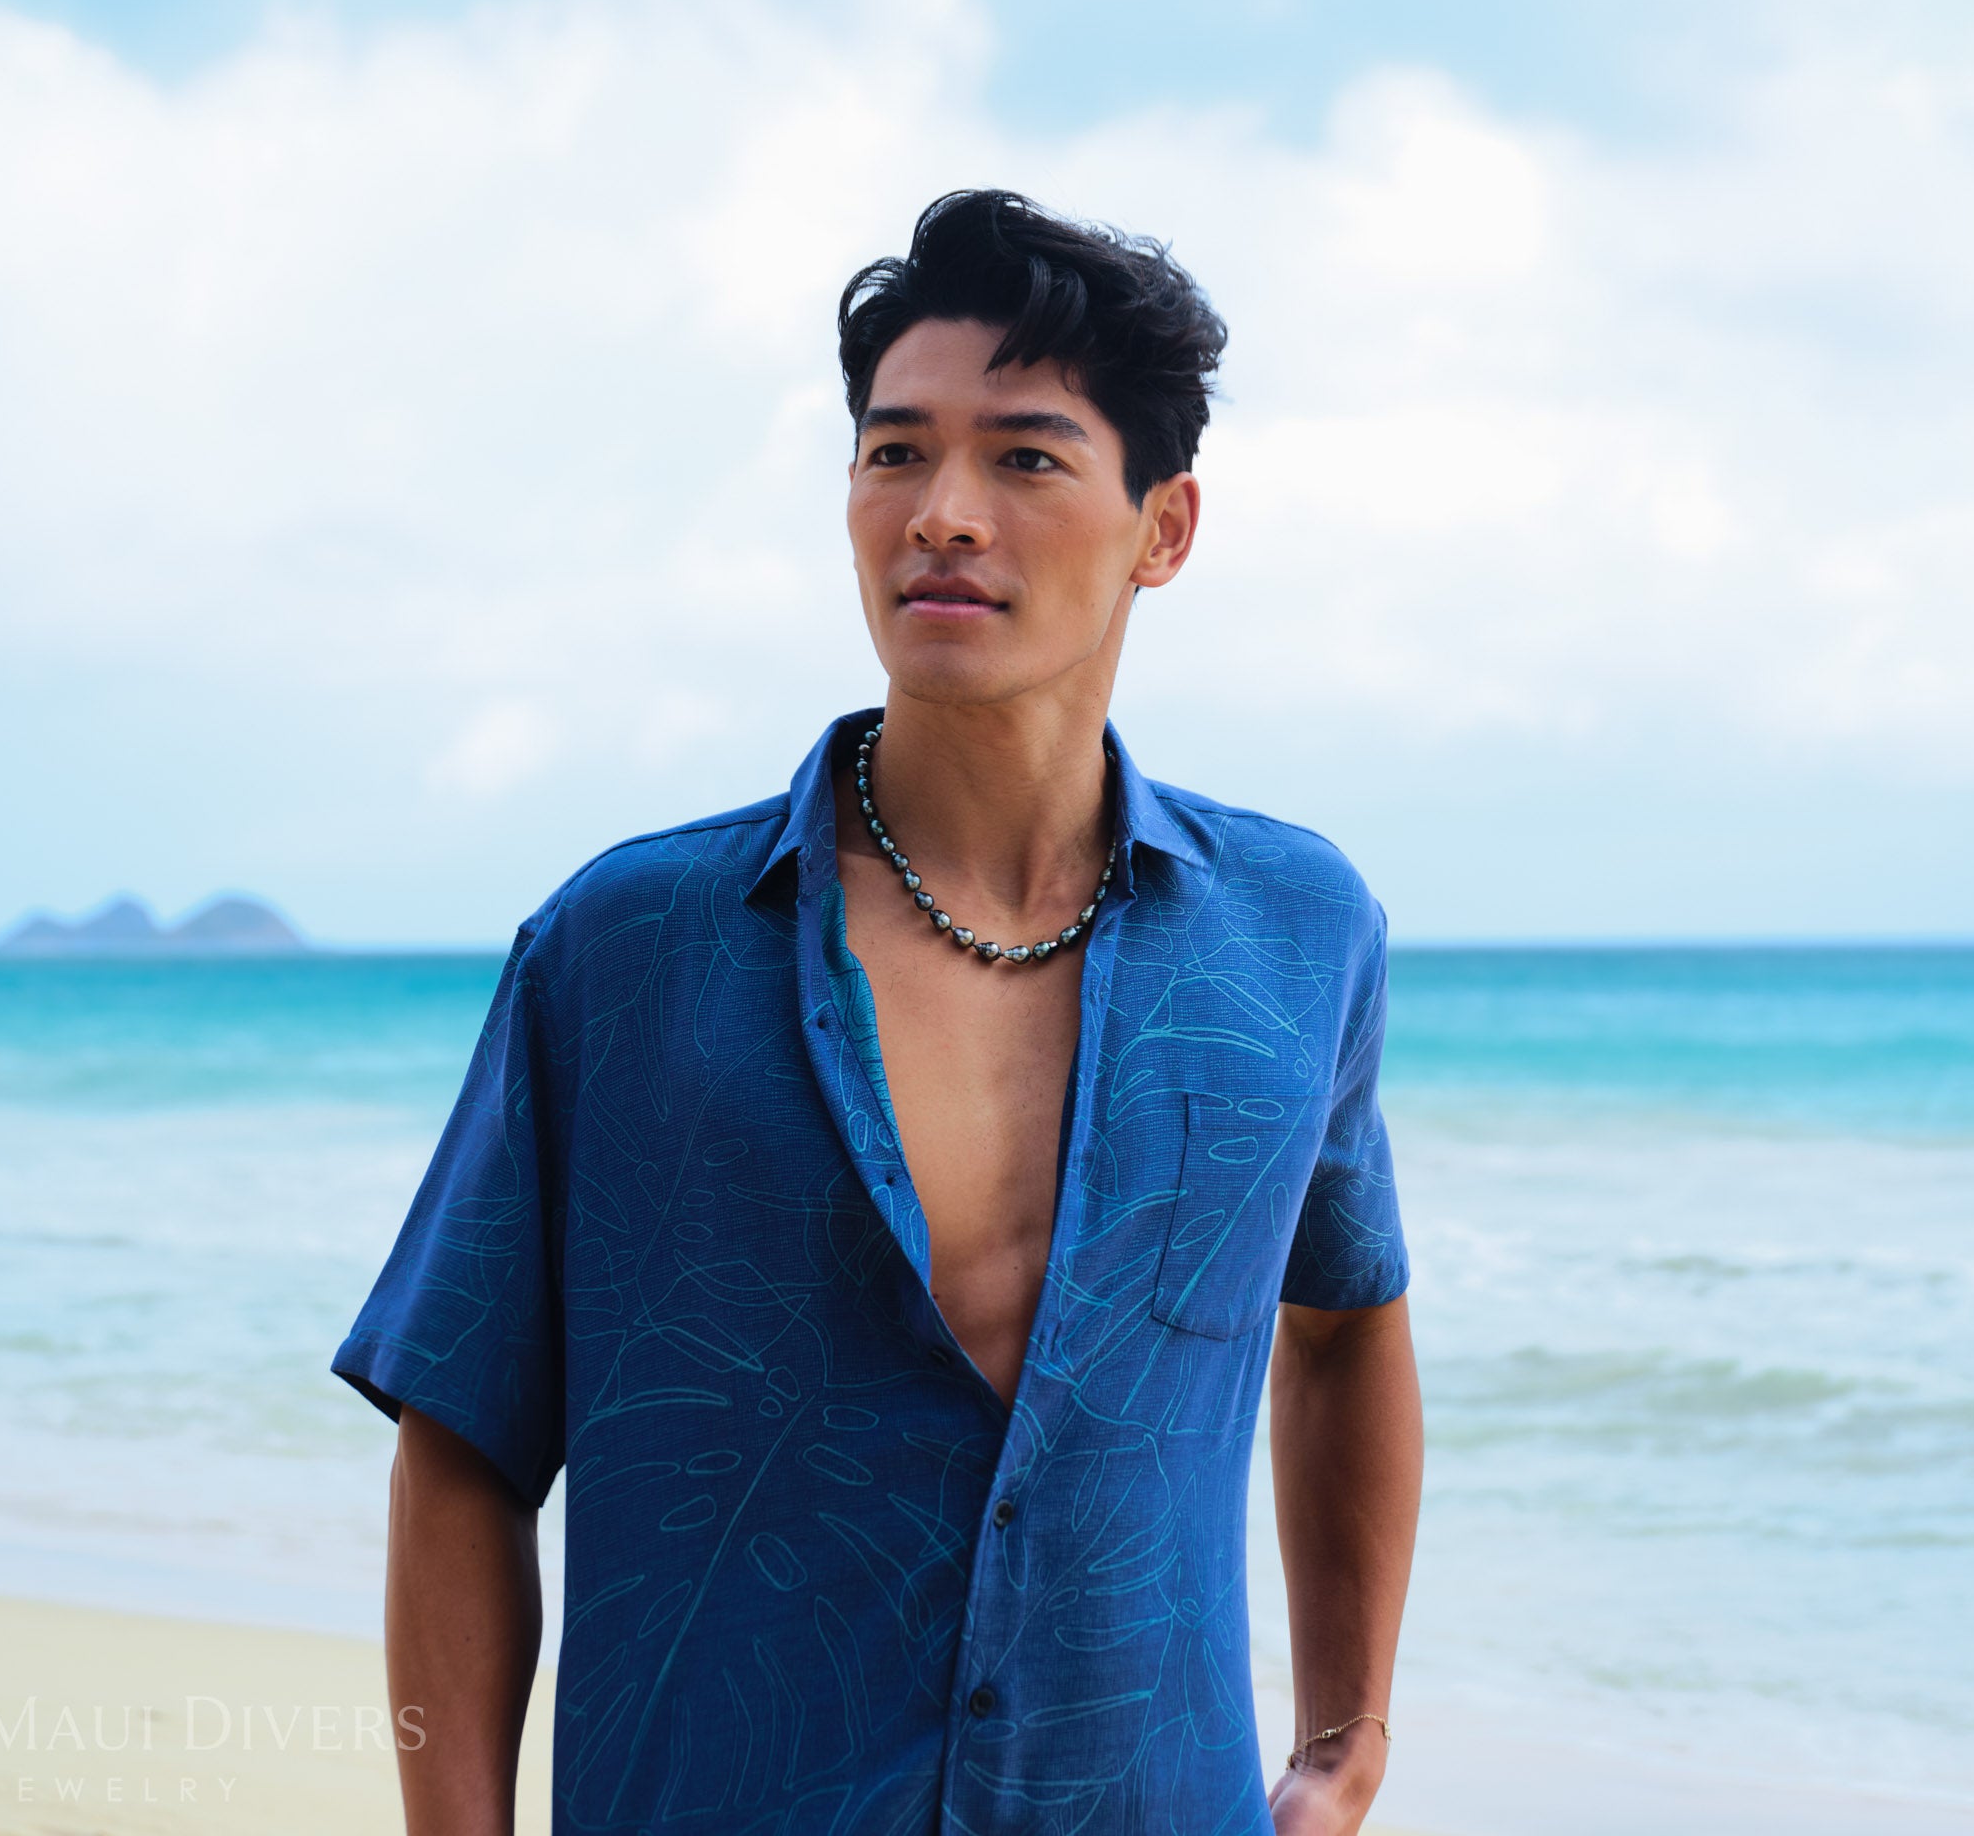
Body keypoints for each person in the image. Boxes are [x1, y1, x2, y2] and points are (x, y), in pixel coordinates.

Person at [333, 188, 1422, 1835]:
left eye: (1028, 458)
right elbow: (463, 1447)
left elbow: (1342, 1333)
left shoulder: (1296, 937)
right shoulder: (625, 949)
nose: (944, 513)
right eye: (896, 452)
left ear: (1166, 528)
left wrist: (1346, 1744)